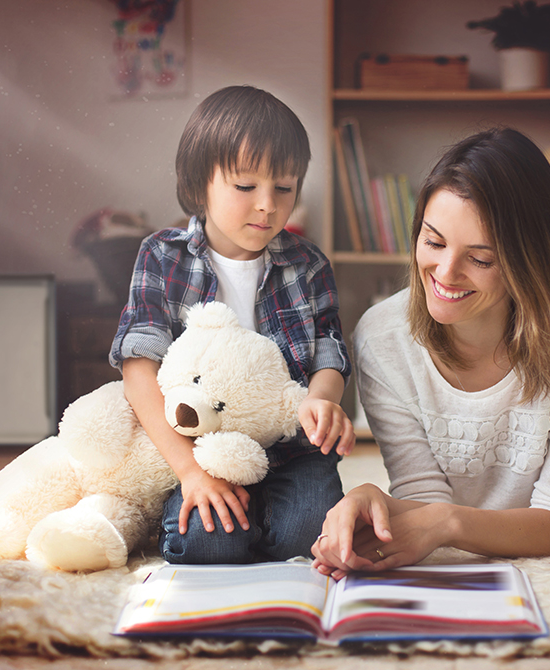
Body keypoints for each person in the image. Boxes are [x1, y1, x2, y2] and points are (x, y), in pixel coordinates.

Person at [311, 127, 550, 579]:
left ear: (529, 262)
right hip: (490, 490)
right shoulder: (381, 335)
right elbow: (426, 498)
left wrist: (447, 523)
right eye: (433, 242)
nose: (445, 273)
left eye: (481, 259)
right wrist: (371, 498)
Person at [110, 85, 355, 564]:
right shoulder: (162, 256)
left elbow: (330, 352)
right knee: (206, 541)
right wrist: (189, 472)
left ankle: (265, 519)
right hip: (205, 449)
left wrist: (322, 403)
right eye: (246, 187)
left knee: (306, 536)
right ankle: (230, 518)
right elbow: (138, 372)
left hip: (293, 449)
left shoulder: (308, 264)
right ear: (200, 183)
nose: (267, 205)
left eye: (284, 188)